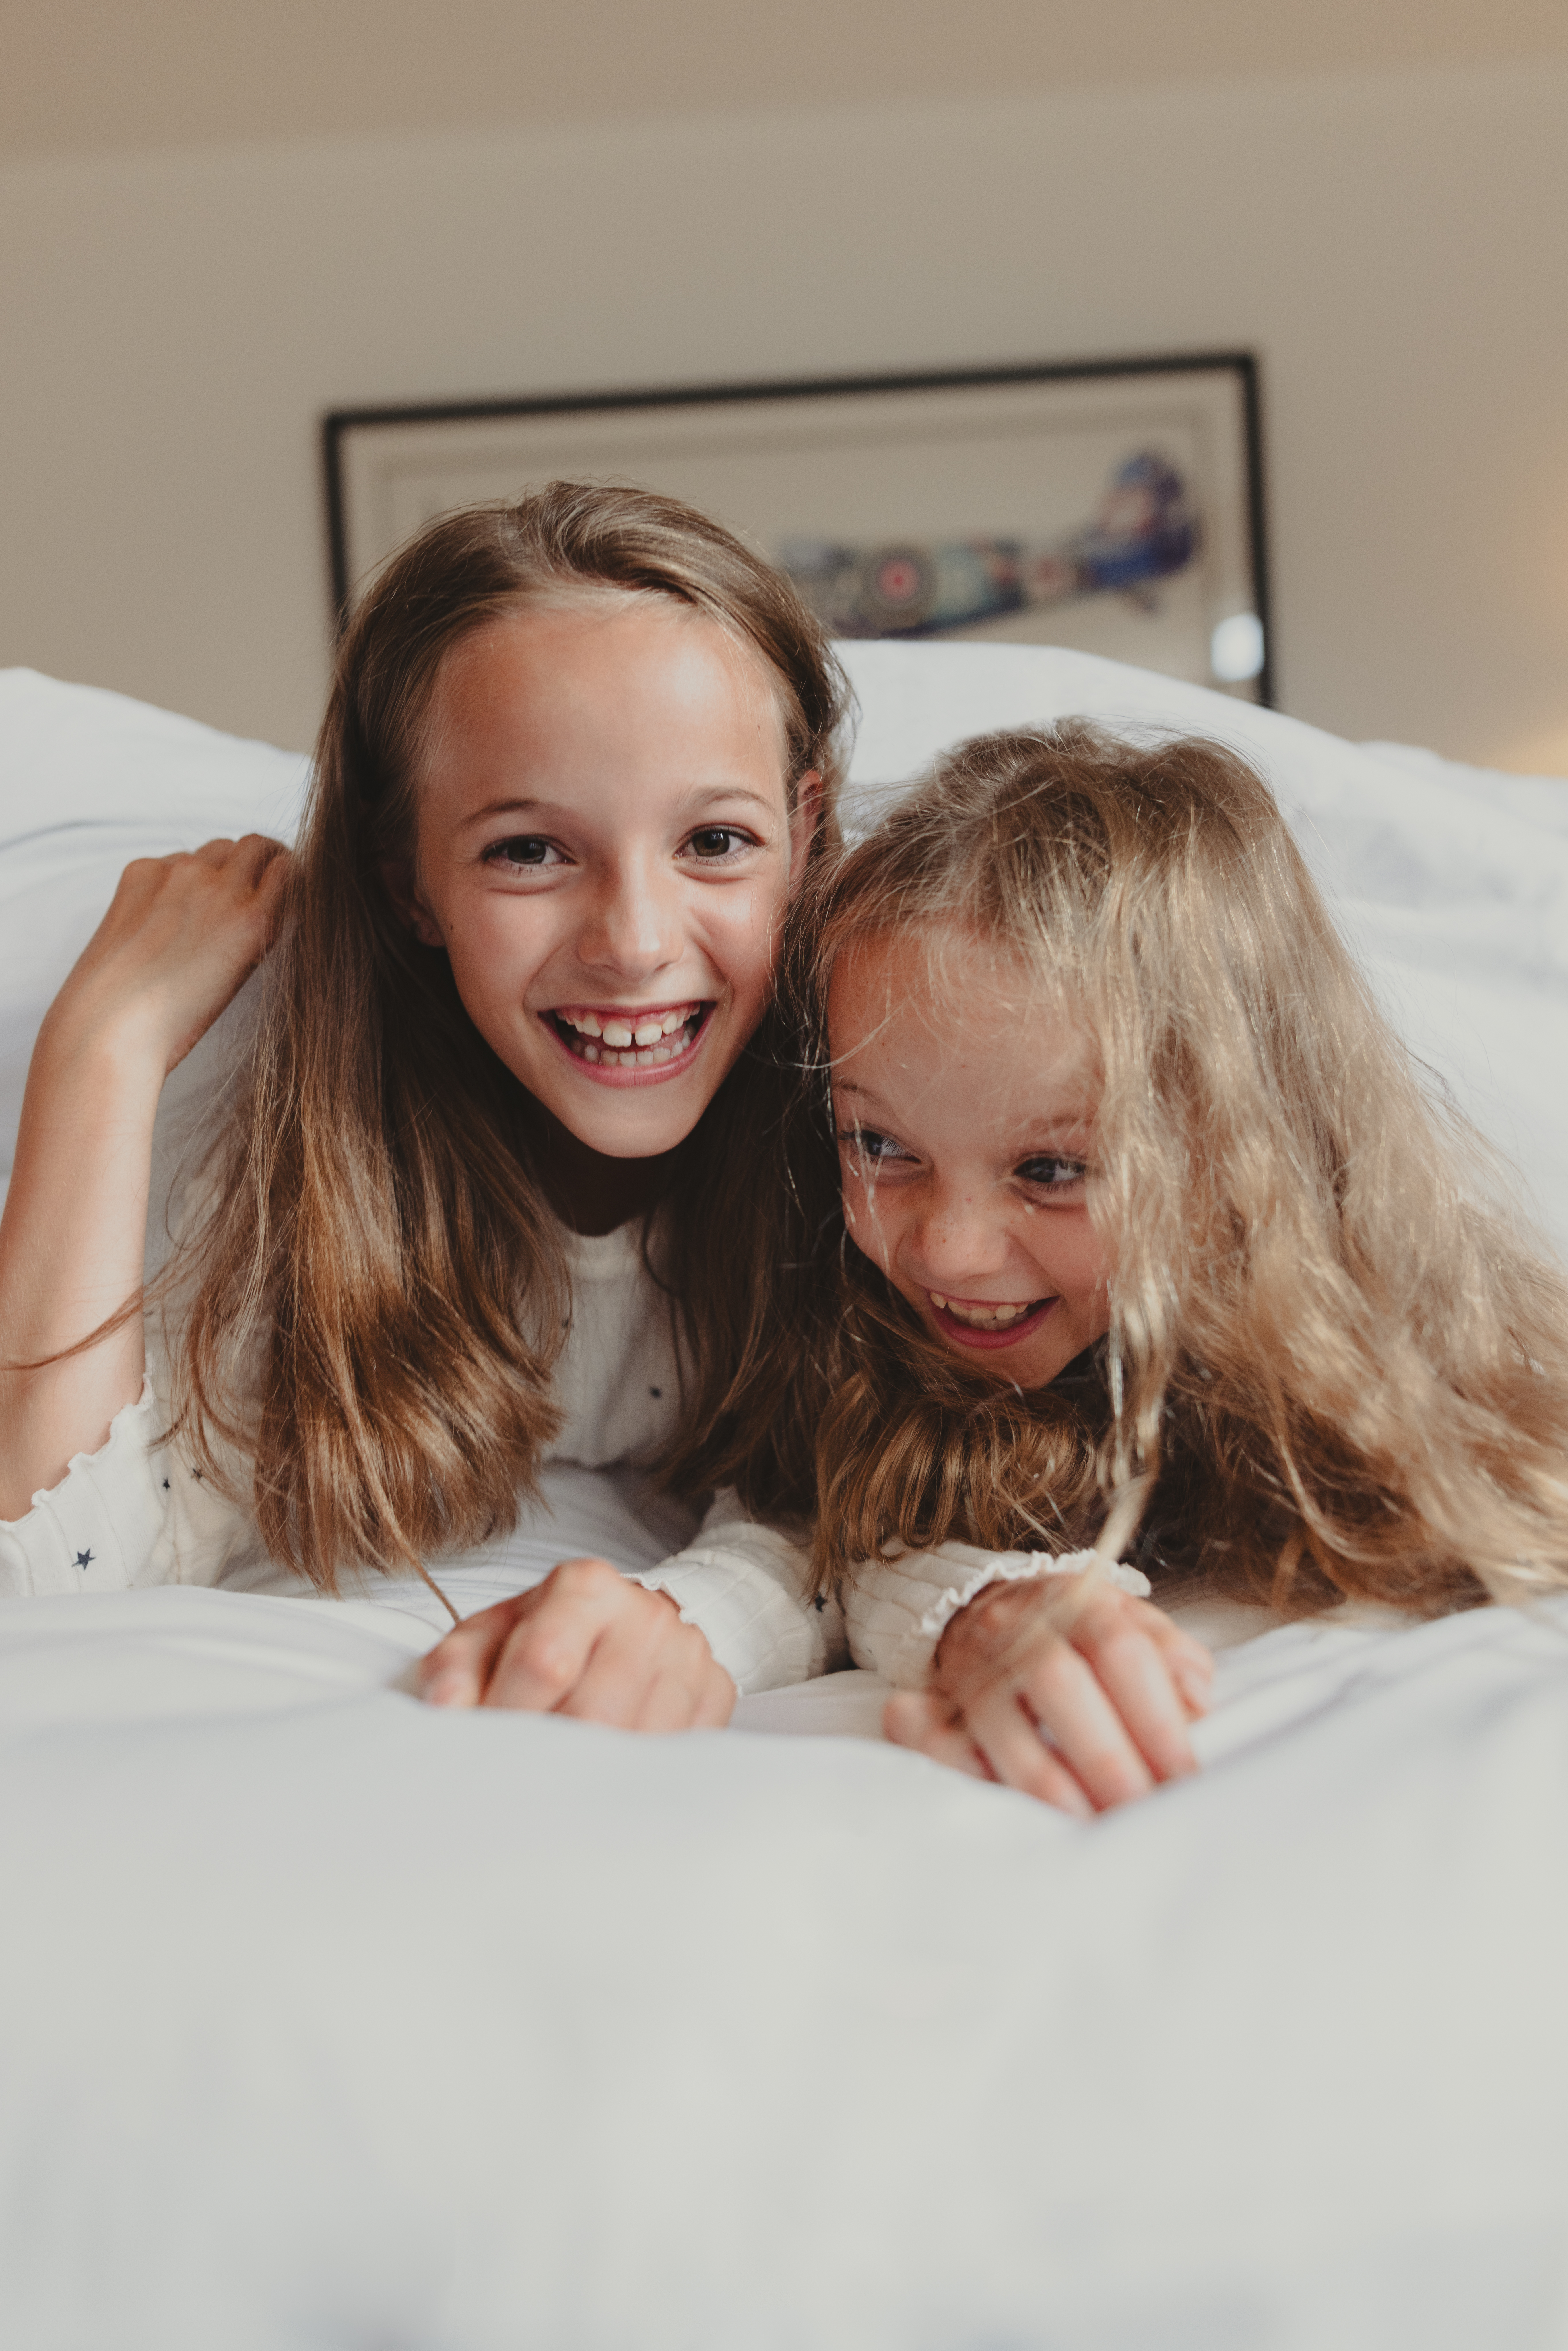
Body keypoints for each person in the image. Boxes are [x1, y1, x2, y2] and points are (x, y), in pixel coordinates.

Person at [571, 719, 1568, 1811]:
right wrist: (692, 1621)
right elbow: (815, 1533)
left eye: (1051, 1169)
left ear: (1239, 1148)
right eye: (881, 1145)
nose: (948, 1249)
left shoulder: (1386, 1344)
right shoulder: (857, 1314)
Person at [0, 482, 852, 1729]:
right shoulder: (275, 1126)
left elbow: (890, 1488)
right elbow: (45, 1584)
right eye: (529, 850)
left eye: (715, 842)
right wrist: (101, 1049)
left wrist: (703, 1617)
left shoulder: (875, 1093)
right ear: (407, 884)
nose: (634, 943)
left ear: (807, 832)